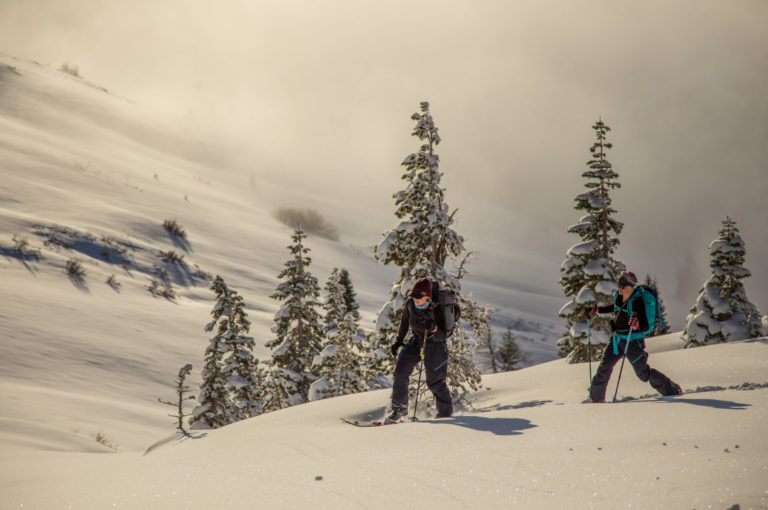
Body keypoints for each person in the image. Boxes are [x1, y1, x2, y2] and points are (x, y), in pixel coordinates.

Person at [586, 271, 682, 402]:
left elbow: (644, 325)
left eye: (622, 286)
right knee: (604, 368)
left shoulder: (637, 302)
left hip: (633, 342)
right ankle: (594, 400)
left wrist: (636, 325)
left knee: (643, 374)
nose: (619, 289)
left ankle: (671, 388)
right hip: (617, 340)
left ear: (629, 287)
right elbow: (615, 308)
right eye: (619, 286)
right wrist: (596, 310)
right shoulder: (619, 297)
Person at [388, 278, 455, 421]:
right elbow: (405, 322)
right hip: (416, 341)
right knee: (400, 371)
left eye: (419, 297)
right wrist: (399, 341)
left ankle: (445, 415)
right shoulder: (411, 305)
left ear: (428, 296)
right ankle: (399, 410)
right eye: (414, 296)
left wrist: (433, 328)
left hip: (435, 345)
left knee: (435, 382)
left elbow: (443, 334)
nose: (416, 300)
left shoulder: (436, 308)